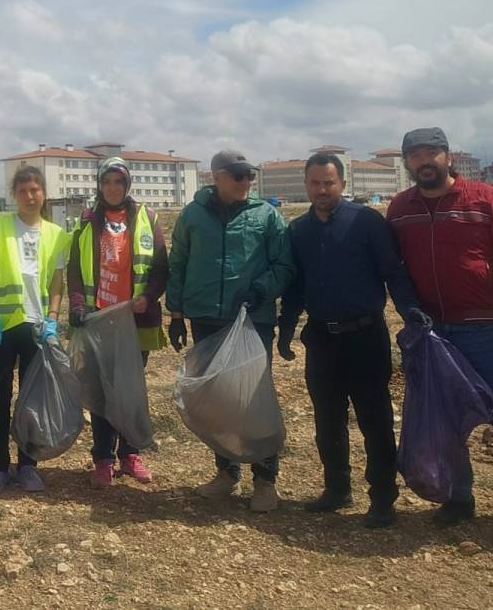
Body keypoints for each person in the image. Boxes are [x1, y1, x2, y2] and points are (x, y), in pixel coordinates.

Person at [282, 152, 426, 528]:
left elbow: (393, 273)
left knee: (375, 421)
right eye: (314, 183)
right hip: (322, 340)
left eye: (328, 182)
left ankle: (382, 498)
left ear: (342, 184)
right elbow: (295, 288)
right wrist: (285, 329)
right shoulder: (298, 231)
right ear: (307, 185)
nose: (322, 190)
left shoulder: (367, 222)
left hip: (365, 338)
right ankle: (336, 489)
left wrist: (410, 310)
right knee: (327, 421)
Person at [166, 148, 295, 512]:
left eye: (249, 175)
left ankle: (266, 479)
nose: (245, 182)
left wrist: (261, 290)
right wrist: (175, 313)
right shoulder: (192, 215)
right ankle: (227, 472)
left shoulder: (266, 215)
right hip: (206, 317)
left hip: (252, 319)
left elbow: (284, 264)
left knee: (254, 398)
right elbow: (178, 263)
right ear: (216, 176)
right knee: (217, 400)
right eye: (238, 175)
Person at [387, 127, 493, 526]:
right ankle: (459, 498)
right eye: (415, 155)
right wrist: (409, 309)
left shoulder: (484, 199)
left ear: (448, 157)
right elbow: (394, 268)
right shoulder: (400, 208)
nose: (423, 161)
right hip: (433, 333)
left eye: (432, 152)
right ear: (406, 163)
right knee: (444, 419)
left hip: (485, 327)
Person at [67, 157, 169, 487]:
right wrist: (79, 304)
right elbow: (73, 268)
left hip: (135, 320)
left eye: (119, 182)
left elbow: (160, 268)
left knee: (129, 389)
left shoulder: (146, 218)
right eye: (107, 182)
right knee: (101, 391)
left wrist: (149, 297)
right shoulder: (86, 221)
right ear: (100, 185)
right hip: (100, 321)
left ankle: (130, 454)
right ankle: (102, 457)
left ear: (127, 185)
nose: (113, 188)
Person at [0, 165, 69, 493]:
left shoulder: (57, 234)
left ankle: (28, 464)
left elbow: (57, 280)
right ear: (14, 195)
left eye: (35, 190)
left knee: (32, 400)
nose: (30, 196)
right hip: (2, 325)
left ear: (43, 193)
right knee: (0, 397)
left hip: (36, 326)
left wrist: (52, 318)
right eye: (23, 191)